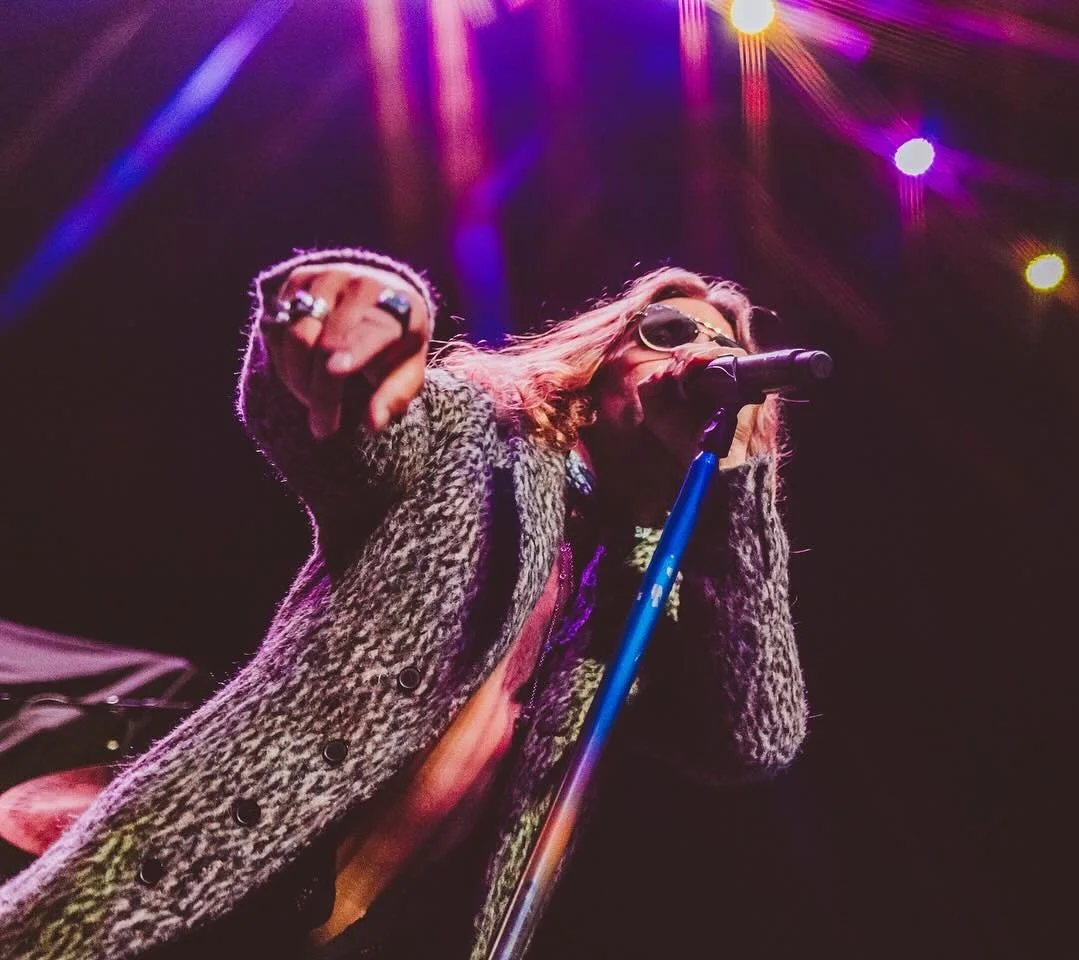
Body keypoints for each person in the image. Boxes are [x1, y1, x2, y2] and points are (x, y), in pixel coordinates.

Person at [0, 248, 808, 959]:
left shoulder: (651, 593)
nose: (698, 356)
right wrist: (366, 310)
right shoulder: (485, 438)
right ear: (599, 362)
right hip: (211, 863)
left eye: (720, 347)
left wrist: (741, 497)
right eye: (666, 332)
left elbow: (752, 737)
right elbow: (345, 425)